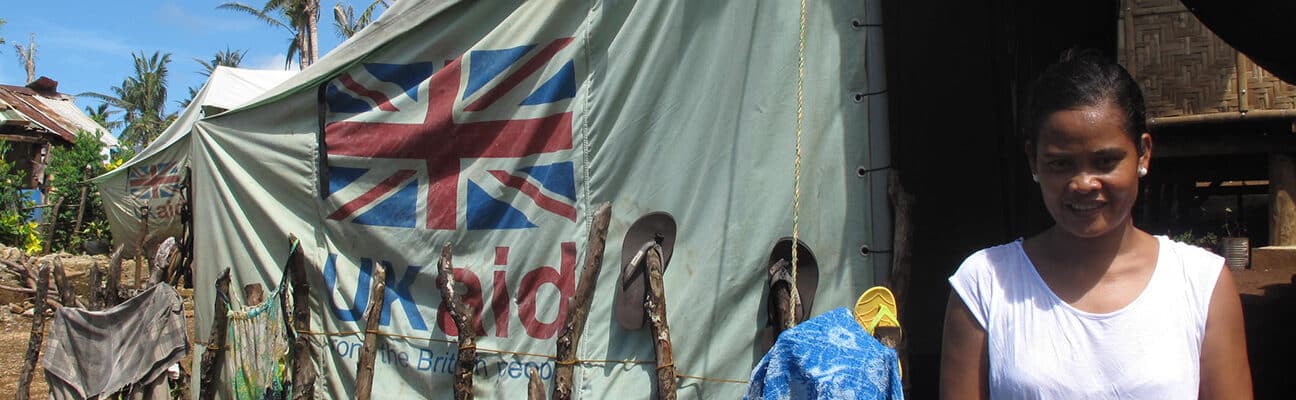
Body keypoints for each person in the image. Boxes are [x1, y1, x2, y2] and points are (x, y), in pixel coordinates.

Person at [939, 49, 1252, 399]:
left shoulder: (1200, 284)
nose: (1083, 183)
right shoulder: (985, 285)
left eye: (1105, 161)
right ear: (1033, 160)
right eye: (1060, 164)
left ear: (1143, 154)